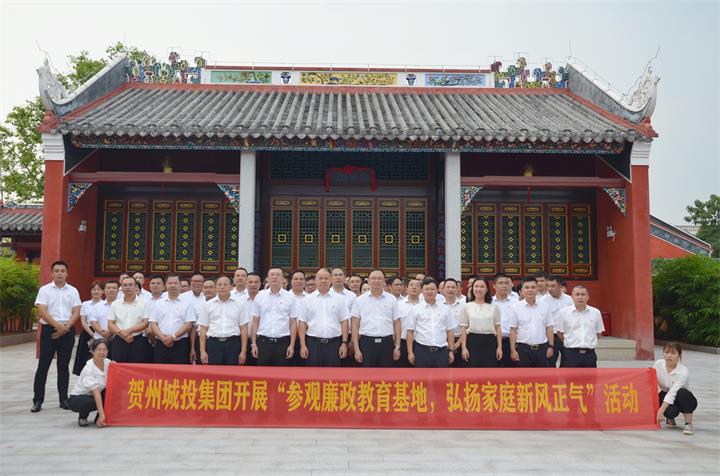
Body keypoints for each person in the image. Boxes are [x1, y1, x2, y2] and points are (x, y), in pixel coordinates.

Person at [31, 260, 81, 413]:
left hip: (67, 330)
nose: (60, 273)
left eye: (62, 271)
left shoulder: (73, 291)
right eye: (57, 271)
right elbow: (42, 311)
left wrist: (65, 328)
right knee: (43, 366)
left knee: (63, 367)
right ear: (52, 273)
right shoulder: (45, 290)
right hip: (49, 330)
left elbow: (76, 312)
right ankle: (37, 400)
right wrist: (57, 326)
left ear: (67, 273)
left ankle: (63, 399)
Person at [298, 268, 350, 366]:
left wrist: (344, 343)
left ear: (330, 280)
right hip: (313, 344)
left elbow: (344, 322)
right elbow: (302, 323)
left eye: (326, 278)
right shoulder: (307, 300)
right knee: (313, 373)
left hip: (334, 344)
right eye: (320, 278)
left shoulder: (340, 299)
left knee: (333, 373)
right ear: (316, 280)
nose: (323, 280)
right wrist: (303, 345)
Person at [351, 269, 401, 367]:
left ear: (384, 281)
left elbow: (397, 323)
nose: (376, 281)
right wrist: (356, 349)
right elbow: (355, 325)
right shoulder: (360, 300)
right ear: (368, 281)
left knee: (386, 374)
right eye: (373, 278)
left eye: (379, 278)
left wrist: (397, 346)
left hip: (387, 343)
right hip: (366, 343)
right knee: (367, 374)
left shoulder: (392, 299)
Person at [251, 268, 299, 366]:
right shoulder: (260, 296)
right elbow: (255, 321)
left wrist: (291, 345)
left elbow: (293, 322)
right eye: (272, 275)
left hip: (283, 342)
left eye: (278, 275)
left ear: (282, 278)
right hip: (263, 342)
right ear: (267, 278)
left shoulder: (290, 297)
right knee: (262, 372)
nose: (275, 277)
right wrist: (254, 344)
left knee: (281, 373)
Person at [198, 276, 248, 365]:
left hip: (233, 343)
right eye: (219, 285)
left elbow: (243, 328)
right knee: (214, 372)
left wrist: (243, 351)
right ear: (216, 287)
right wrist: (202, 351)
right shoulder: (208, 305)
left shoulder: (239, 304)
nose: (222, 287)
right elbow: (203, 328)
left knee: (233, 371)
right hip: (214, 344)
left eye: (225, 284)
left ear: (231, 287)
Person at [406, 278, 455, 368]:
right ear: (422, 291)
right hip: (422, 351)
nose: (429, 292)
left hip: (441, 351)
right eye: (427, 289)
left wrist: (451, 351)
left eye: (432, 289)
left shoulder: (445, 309)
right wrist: (410, 352)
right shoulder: (415, 309)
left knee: (442, 376)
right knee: (421, 377)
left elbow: (450, 331)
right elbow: (410, 332)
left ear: (437, 290)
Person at [149, 274, 196, 364]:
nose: (172, 285)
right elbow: (153, 323)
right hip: (161, 342)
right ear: (165, 286)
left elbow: (188, 324)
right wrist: (163, 338)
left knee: (180, 370)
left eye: (175, 283)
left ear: (180, 285)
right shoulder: (158, 303)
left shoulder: (188, 303)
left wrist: (173, 337)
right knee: (161, 370)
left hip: (180, 343)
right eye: (170, 283)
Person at [509, 276, 553, 368]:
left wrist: (550, 346)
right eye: (527, 287)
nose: (530, 290)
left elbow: (549, 328)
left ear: (537, 289)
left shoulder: (545, 306)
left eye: (533, 287)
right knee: (523, 376)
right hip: (523, 349)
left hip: (542, 349)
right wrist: (513, 350)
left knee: (542, 375)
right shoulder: (515, 307)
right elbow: (513, 330)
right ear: (522, 290)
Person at [654, 342, 698, 435]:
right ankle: (670, 417)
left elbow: (673, 392)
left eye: (673, 353)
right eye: (666, 352)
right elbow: (651, 380)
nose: (669, 355)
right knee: (670, 411)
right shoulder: (658, 364)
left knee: (682, 393)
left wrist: (660, 410)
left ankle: (688, 424)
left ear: (679, 355)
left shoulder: (683, 371)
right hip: (666, 393)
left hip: (683, 398)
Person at [555, 285, 604, 368]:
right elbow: (559, 332)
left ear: (588, 297)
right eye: (577, 294)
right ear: (572, 297)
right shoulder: (563, 313)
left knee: (590, 376)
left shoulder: (596, 313)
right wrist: (570, 341)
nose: (580, 297)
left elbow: (598, 333)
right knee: (569, 376)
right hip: (570, 354)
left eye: (583, 294)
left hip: (589, 355)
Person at [460, 277, 502, 367]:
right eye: (476, 286)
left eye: (482, 287)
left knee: (489, 371)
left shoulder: (494, 307)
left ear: (487, 289)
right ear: (472, 288)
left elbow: (498, 328)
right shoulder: (466, 307)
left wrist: (499, 347)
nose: (479, 289)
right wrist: (464, 348)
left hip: (490, 342)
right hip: (472, 342)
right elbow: (464, 328)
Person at [68, 339, 110, 428]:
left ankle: (99, 417)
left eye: (104, 350)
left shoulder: (108, 362)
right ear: (93, 351)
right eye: (99, 350)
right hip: (79, 397)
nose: (102, 352)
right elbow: (96, 393)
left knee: (113, 393)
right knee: (89, 402)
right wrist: (102, 414)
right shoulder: (89, 368)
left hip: (96, 394)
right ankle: (83, 416)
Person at [107, 276, 149, 363]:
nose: (127, 287)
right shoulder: (115, 304)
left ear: (136, 287)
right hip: (119, 340)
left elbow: (145, 323)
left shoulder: (144, 303)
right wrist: (122, 334)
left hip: (137, 341)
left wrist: (128, 331)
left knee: (136, 368)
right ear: (121, 288)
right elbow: (110, 323)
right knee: (117, 367)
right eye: (125, 285)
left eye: (130, 285)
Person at [73, 281, 106, 376]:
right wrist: (93, 334)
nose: (96, 291)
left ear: (103, 291)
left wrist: (99, 334)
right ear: (91, 291)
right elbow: (83, 321)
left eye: (98, 289)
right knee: (85, 358)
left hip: (102, 332)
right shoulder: (85, 304)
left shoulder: (106, 304)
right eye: (94, 289)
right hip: (87, 333)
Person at [541, 276, 573, 367]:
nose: (550, 289)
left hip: (566, 335)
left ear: (560, 286)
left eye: (553, 286)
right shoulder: (543, 301)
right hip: (550, 335)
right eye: (548, 286)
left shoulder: (569, 300)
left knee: (568, 362)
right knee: (549, 362)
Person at [330, 267, 357, 367]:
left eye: (340, 275)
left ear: (345, 277)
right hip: (332, 336)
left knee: (347, 367)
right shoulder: (326, 295)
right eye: (335, 275)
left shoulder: (352, 296)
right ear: (331, 278)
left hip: (348, 336)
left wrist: (353, 341)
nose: (338, 277)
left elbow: (355, 320)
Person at [492, 273, 519, 367]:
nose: (504, 285)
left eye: (506, 283)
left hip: (511, 342)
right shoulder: (489, 303)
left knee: (510, 371)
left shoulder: (516, 303)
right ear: (494, 285)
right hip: (493, 342)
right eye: (501, 283)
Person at [396, 278, 421, 367]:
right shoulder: (399, 305)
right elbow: (395, 325)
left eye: (417, 285)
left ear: (421, 290)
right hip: (402, 343)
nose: (414, 287)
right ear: (406, 289)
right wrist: (396, 346)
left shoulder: (424, 306)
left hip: (420, 344)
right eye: (411, 285)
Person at [89, 280, 117, 350]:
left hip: (117, 339)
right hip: (99, 339)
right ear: (104, 290)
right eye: (108, 288)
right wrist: (103, 332)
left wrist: (111, 332)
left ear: (118, 290)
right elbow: (93, 322)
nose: (111, 290)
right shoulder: (97, 306)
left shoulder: (122, 306)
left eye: (114, 288)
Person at [443, 278, 465, 367]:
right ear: (443, 289)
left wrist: (458, 343)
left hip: (460, 342)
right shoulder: (438, 306)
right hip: (442, 344)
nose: (450, 289)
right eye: (448, 287)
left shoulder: (464, 306)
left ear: (457, 289)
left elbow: (467, 327)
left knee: (460, 372)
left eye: (453, 287)